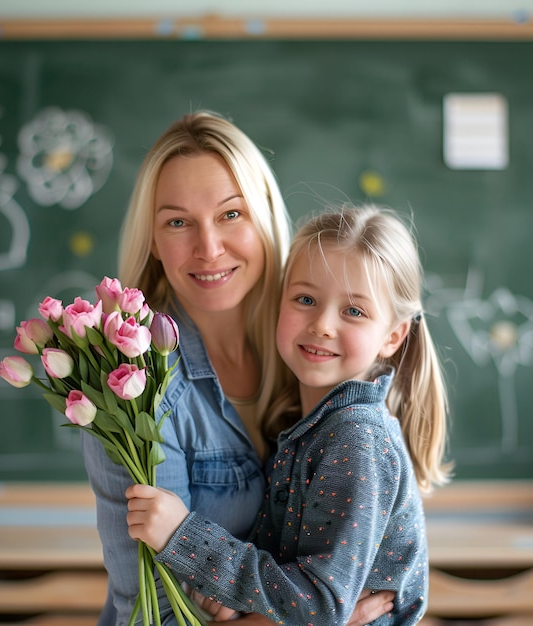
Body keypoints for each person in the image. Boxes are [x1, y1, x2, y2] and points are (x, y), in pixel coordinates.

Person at [81, 111, 396, 625]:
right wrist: (311, 618)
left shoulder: (313, 348)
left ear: (264, 216)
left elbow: (369, 554)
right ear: (154, 243)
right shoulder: (133, 385)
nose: (208, 248)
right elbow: (156, 616)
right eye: (177, 222)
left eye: (231, 214)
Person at [126, 204, 454, 624]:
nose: (322, 325)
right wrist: (241, 600)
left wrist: (183, 537)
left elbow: (319, 607)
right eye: (305, 299)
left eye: (353, 311)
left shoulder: (356, 439)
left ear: (393, 336)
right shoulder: (305, 425)